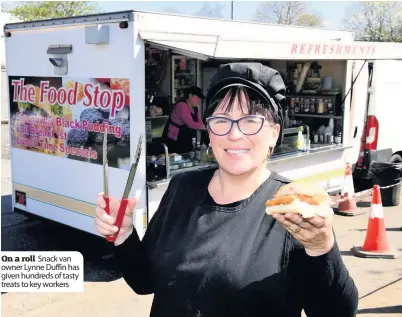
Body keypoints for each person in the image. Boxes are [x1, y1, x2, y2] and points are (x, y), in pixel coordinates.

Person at [95, 63, 359, 317]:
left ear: (274, 133)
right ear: (209, 130)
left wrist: (322, 249)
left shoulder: (292, 208)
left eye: (250, 120)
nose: (234, 134)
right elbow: (145, 282)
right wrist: (124, 235)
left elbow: (336, 312)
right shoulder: (182, 188)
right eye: (222, 120)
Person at [162, 86, 205, 154]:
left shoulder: (196, 108)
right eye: (198, 97)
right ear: (190, 96)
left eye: (200, 98)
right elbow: (190, 124)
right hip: (176, 140)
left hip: (188, 140)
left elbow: (200, 123)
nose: (199, 100)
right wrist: (206, 127)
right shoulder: (181, 105)